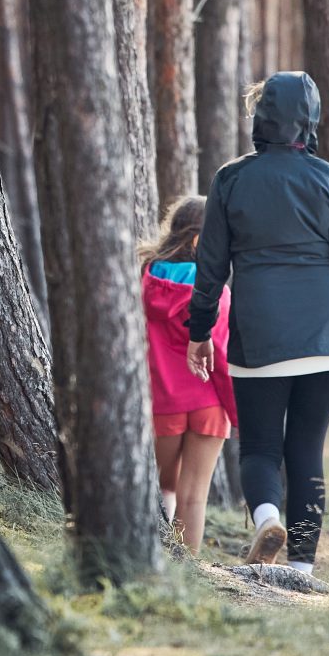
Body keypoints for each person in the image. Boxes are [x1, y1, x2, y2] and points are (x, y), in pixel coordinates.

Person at [187, 72, 329, 575]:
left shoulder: (230, 179)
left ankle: (265, 520)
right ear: (310, 119)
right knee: (306, 448)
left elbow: (211, 267)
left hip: (259, 336)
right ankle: (301, 568)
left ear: (261, 119)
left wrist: (198, 332)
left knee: (259, 445)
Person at [140, 196, 237, 553]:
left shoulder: (144, 281)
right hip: (209, 403)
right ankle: (186, 573)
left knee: (161, 486)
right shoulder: (216, 293)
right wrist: (235, 408)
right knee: (193, 498)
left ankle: (156, 560)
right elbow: (222, 356)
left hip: (162, 401)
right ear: (199, 240)